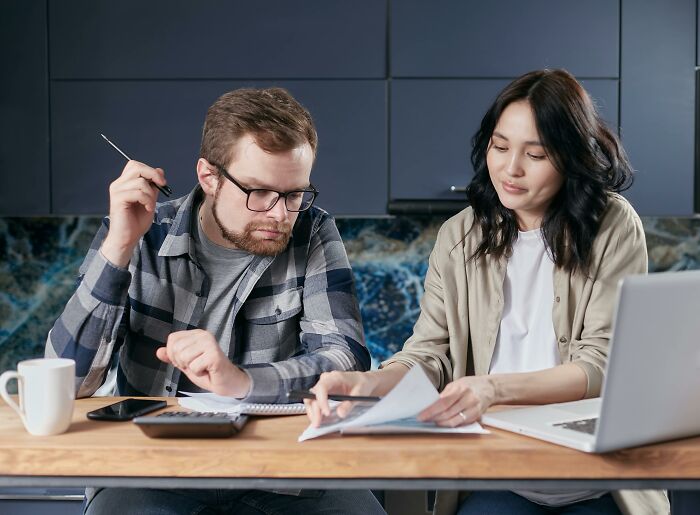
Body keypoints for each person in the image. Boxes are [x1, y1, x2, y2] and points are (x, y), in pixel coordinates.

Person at [306, 70, 669, 515]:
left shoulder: (612, 226)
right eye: (500, 147)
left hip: (592, 478)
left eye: (535, 154)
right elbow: (429, 356)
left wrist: (492, 389)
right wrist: (366, 384)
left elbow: (600, 364)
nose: (510, 168)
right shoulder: (459, 236)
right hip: (498, 472)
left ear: (570, 158)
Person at [46, 88, 384, 514]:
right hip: (154, 475)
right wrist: (118, 247)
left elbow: (345, 359)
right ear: (210, 177)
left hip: (284, 472)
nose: (280, 215)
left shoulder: (312, 231)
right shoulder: (141, 231)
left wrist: (241, 382)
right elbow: (71, 383)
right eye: (259, 192)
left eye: (295, 194)